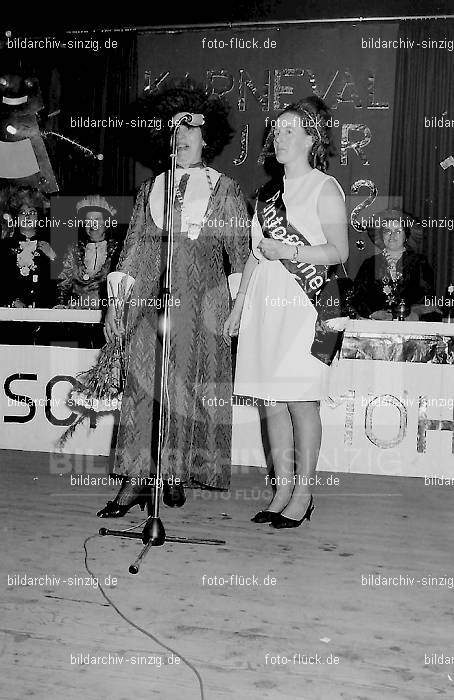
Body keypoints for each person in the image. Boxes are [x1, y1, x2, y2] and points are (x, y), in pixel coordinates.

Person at [96, 79, 250, 517]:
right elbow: (130, 253)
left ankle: (174, 472)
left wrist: (237, 311)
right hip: (150, 307)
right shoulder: (150, 190)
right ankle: (135, 480)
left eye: (190, 128)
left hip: (203, 311)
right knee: (143, 389)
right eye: (174, 128)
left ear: (207, 137)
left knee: (189, 392)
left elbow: (240, 256)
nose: (181, 135)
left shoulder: (226, 190)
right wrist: (115, 305)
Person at [224, 96, 348, 529]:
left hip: (305, 306)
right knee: (272, 401)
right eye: (276, 131)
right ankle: (280, 488)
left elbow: (338, 252)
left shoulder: (324, 187)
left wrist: (290, 249)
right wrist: (238, 307)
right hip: (264, 304)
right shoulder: (266, 196)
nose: (279, 137)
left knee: (300, 400)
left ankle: (304, 493)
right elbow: (256, 256)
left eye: (289, 130)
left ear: (311, 139)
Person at [350, 209, 439, 321]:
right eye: (387, 231)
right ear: (382, 236)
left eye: (398, 231)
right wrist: (372, 314)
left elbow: (427, 297)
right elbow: (357, 297)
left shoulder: (419, 263)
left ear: (406, 235)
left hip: (410, 325)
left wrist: (411, 312)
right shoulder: (369, 264)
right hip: (375, 326)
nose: (392, 236)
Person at [56, 195, 119, 309]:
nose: (92, 225)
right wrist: (62, 304)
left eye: (97, 220)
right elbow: (63, 282)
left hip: (107, 311)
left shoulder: (117, 250)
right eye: (88, 220)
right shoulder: (73, 250)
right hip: (78, 312)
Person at [0, 186, 56, 308]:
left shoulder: (50, 245)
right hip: (11, 314)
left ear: (39, 217)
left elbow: (65, 283)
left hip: (46, 312)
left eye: (32, 212)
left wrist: (53, 258)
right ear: (16, 217)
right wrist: (12, 301)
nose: (27, 217)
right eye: (23, 213)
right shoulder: (4, 246)